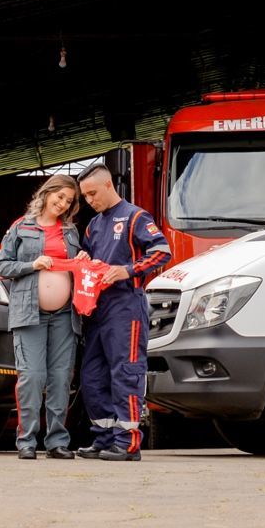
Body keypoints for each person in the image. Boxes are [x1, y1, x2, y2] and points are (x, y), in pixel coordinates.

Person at [76, 162, 171, 460]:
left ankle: (127, 442)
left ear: (108, 185)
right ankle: (103, 437)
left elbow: (162, 251)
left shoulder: (135, 217)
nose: (90, 201)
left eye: (93, 193)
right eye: (85, 197)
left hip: (126, 307)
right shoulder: (93, 225)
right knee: (92, 375)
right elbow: (91, 261)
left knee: (125, 372)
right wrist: (82, 258)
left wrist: (126, 271)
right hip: (96, 310)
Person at [0, 174, 84, 460]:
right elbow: (2, 266)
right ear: (46, 194)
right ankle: (27, 440)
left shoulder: (70, 232)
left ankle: (57, 441)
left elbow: (77, 267)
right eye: (59, 197)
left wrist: (81, 261)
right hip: (28, 312)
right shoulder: (21, 227)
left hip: (65, 315)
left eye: (68, 201)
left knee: (60, 377)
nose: (62, 204)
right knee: (32, 376)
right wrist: (33, 264)